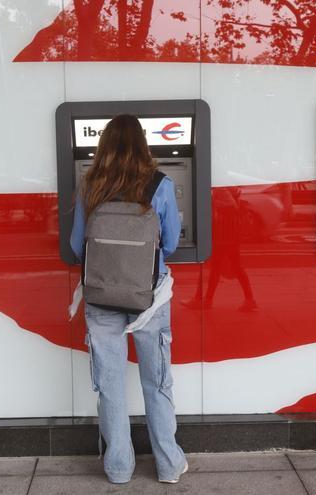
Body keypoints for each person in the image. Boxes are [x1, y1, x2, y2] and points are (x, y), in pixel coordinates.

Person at [70, 114, 188, 484]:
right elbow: (169, 242)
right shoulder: (161, 185)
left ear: (103, 144)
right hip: (148, 297)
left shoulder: (90, 185)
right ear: (143, 144)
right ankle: (169, 465)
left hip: (102, 295)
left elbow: (77, 246)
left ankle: (119, 468)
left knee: (110, 383)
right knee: (157, 380)